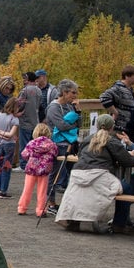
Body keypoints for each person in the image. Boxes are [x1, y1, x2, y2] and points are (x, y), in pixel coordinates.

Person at [55, 114, 134, 232]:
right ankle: (119, 224)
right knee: (126, 188)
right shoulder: (112, 141)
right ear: (111, 127)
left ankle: (73, 220)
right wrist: (132, 156)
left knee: (81, 191)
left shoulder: (86, 139)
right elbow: (128, 162)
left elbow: (80, 156)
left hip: (78, 173)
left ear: (97, 126)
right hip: (99, 175)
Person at [44, 78, 81, 214]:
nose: (75, 96)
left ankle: (69, 203)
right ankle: (50, 203)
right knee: (55, 175)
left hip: (71, 144)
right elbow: (61, 125)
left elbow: (79, 124)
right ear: (64, 92)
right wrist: (73, 125)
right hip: (57, 145)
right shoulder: (53, 107)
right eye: (73, 93)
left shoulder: (70, 106)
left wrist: (78, 111)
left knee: (74, 173)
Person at [18, 123, 58, 217]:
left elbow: (24, 154)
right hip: (44, 171)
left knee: (27, 190)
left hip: (31, 169)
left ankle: (22, 208)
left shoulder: (32, 143)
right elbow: (55, 154)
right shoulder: (52, 144)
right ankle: (40, 210)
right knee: (42, 191)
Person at [0, 95, 20, 198]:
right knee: (6, 167)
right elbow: (10, 134)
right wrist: (4, 135)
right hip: (9, 144)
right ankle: (3, 190)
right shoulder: (14, 119)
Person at [99, 65, 134, 141]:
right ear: (127, 76)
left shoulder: (129, 89)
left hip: (129, 129)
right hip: (119, 129)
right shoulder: (118, 88)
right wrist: (115, 112)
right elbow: (104, 97)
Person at [17, 71, 43, 169]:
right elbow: (40, 105)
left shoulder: (24, 91)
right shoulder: (39, 91)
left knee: (24, 145)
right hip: (35, 122)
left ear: (27, 79)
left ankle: (23, 165)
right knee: (34, 145)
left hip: (25, 122)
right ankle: (33, 164)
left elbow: (19, 104)